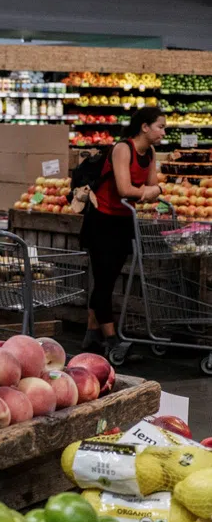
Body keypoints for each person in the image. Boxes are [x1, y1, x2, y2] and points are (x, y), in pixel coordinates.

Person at [80, 106, 164, 356]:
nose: (163, 131)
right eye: (160, 126)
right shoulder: (122, 149)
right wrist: (150, 192)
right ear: (145, 127)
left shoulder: (149, 151)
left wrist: (151, 191)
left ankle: (91, 334)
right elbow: (125, 189)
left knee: (109, 276)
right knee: (105, 279)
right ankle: (111, 338)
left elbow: (152, 186)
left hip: (123, 220)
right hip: (101, 220)